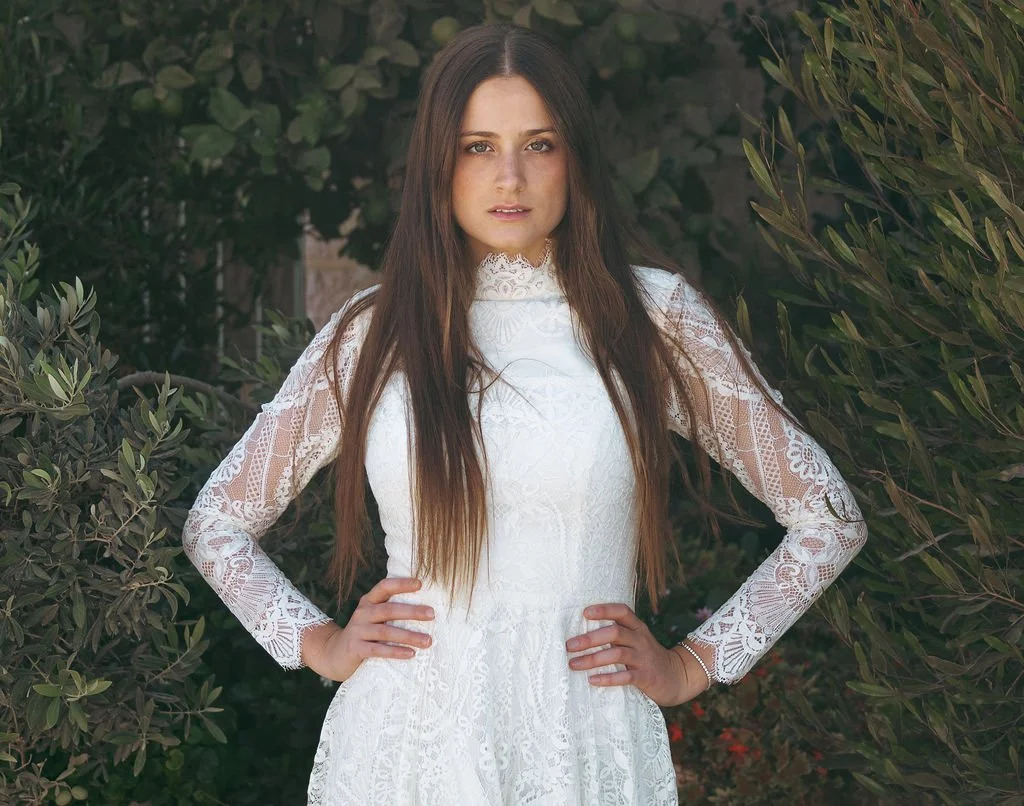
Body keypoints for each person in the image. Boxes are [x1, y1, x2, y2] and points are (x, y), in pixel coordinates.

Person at [182, 22, 868, 805]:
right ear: (438, 164)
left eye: (539, 145)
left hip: (585, 743)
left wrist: (693, 664)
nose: (509, 177)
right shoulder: (376, 332)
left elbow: (827, 518)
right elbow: (217, 523)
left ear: (574, 158)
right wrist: (320, 644)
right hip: (404, 750)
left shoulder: (654, 321)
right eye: (478, 147)